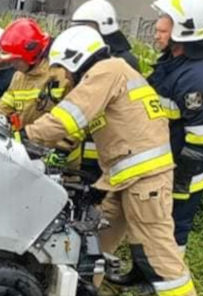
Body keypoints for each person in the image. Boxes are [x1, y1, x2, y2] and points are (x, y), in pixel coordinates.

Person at [21, 26, 199, 296]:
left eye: (63, 69)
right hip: (124, 177)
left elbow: (68, 118)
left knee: (155, 243)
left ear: (76, 58)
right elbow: (78, 127)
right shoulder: (113, 73)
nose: (64, 77)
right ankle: (87, 289)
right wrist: (52, 147)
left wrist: (23, 137)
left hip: (145, 178)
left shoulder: (107, 70)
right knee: (98, 236)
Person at [148, 0, 203, 252]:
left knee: (173, 231)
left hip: (185, 171)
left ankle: (168, 283)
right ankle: (143, 273)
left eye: (162, 31)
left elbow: (202, 140)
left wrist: (179, 180)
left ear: (181, 32)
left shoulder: (198, 77)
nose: (156, 34)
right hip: (165, 164)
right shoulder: (172, 64)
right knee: (152, 225)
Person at [70, 0, 141, 183]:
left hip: (110, 147)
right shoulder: (92, 55)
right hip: (88, 144)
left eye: (85, 27)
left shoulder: (123, 62)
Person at [0, 18, 72, 129]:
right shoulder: (18, 77)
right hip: (24, 143)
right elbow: (2, 109)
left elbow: (69, 121)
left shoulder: (62, 75)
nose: (13, 65)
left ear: (30, 54)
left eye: (16, 60)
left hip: (52, 144)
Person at [71, 0, 139, 71]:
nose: (81, 32)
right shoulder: (80, 57)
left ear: (105, 26)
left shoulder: (126, 61)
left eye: (86, 27)